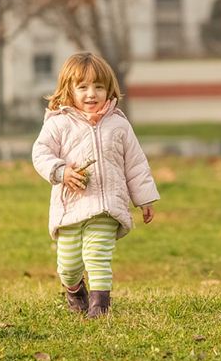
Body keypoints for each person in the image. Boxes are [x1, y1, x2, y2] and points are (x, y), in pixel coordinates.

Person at [32, 52, 160, 317]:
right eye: (83, 87)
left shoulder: (119, 125)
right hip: (71, 208)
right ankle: (75, 289)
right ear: (69, 90)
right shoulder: (58, 123)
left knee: (97, 256)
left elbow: (135, 163)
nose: (92, 94)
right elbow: (40, 154)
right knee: (68, 265)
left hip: (106, 207)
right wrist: (61, 171)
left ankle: (100, 306)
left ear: (109, 89)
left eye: (98, 87)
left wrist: (144, 198)